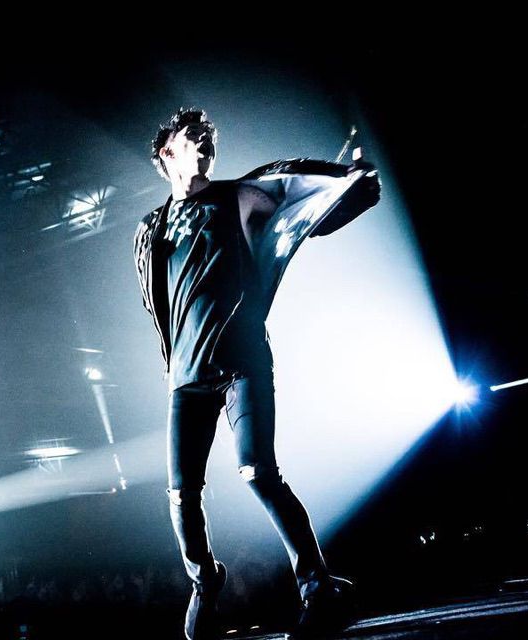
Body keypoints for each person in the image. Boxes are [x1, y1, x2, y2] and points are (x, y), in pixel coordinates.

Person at [133, 108, 380, 639]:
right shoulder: (151, 229)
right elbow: (157, 305)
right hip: (187, 377)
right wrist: (170, 362)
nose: (204, 138)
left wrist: (354, 190)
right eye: (191, 134)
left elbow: (301, 212)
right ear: (168, 153)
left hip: (243, 363)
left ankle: (317, 587)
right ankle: (205, 582)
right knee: (181, 496)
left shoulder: (237, 197)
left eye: (208, 134)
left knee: (259, 472)